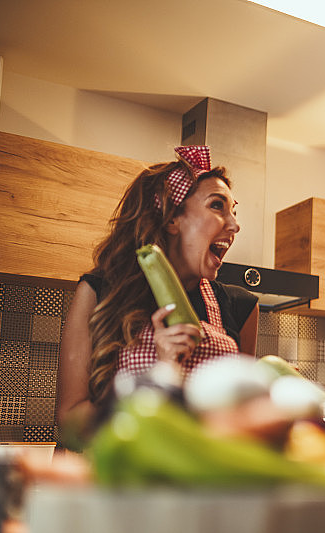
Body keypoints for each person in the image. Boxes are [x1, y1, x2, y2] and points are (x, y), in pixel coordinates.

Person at [57, 146, 259, 433]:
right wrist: (154, 382)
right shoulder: (99, 293)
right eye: (217, 205)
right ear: (172, 218)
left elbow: (241, 421)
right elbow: (69, 423)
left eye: (234, 212)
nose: (235, 225)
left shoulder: (242, 307)